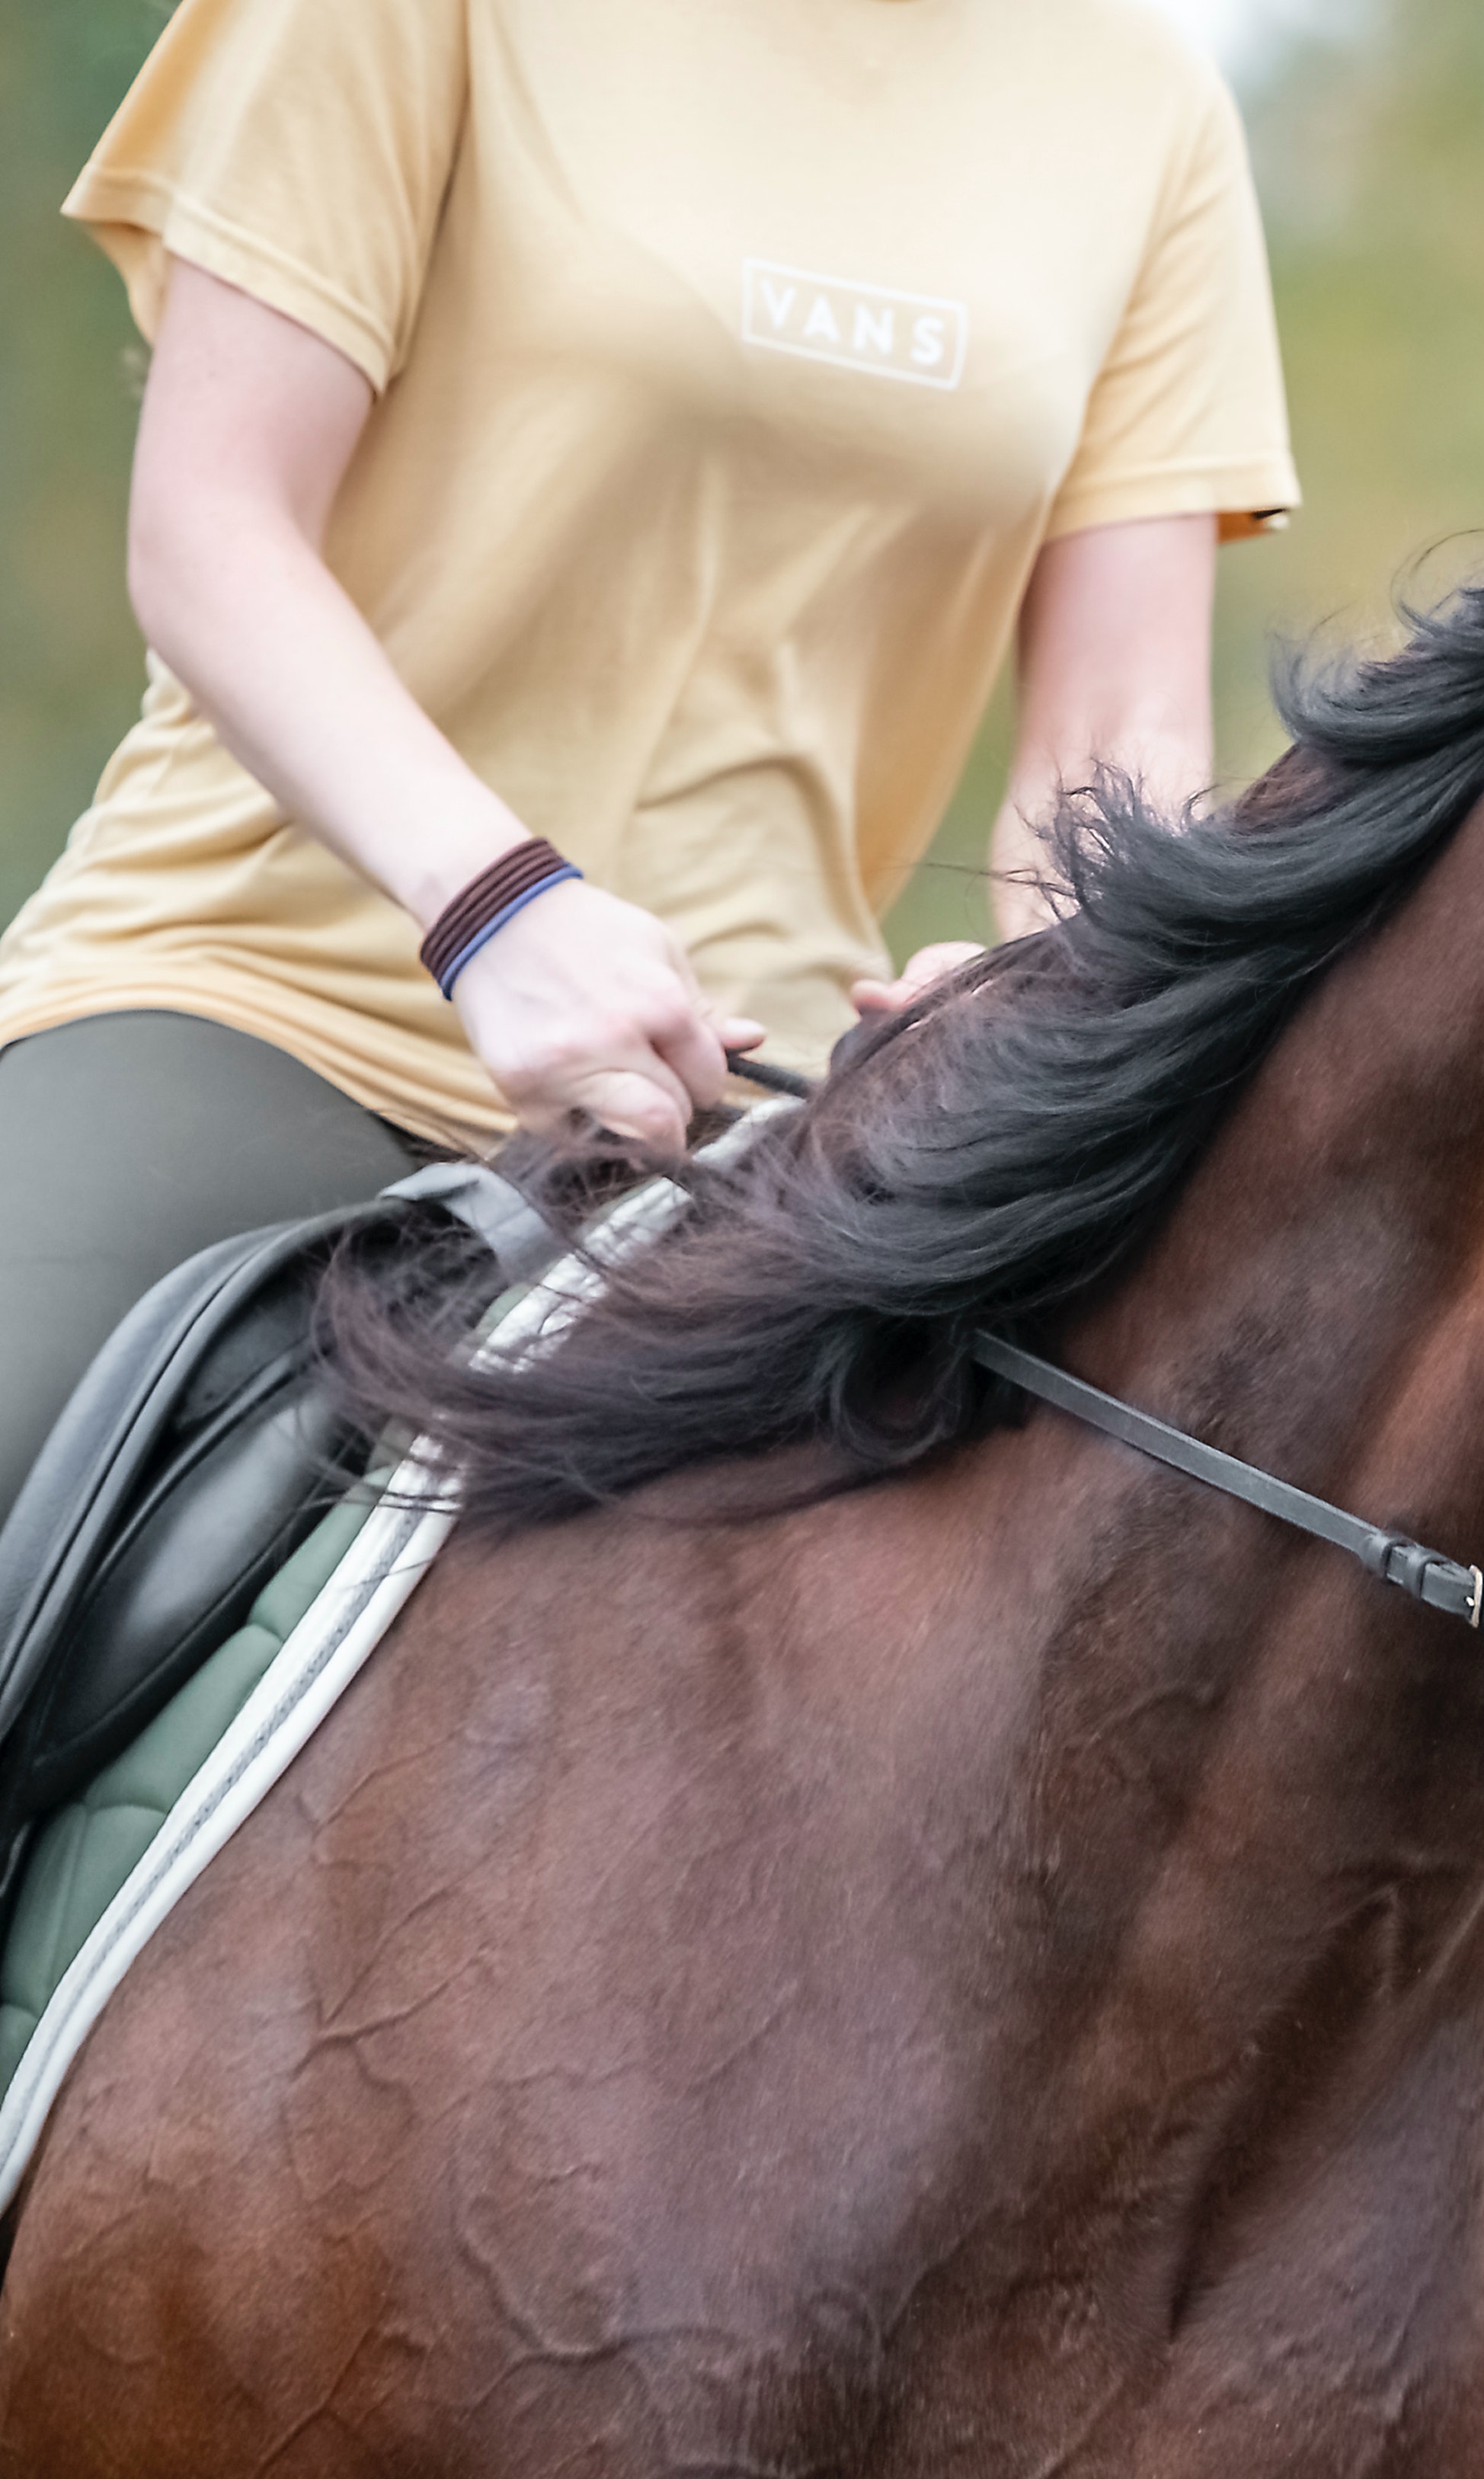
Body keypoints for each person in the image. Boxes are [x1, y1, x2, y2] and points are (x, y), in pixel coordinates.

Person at [0, 0, 1297, 1502]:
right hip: (258, 999)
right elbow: (211, 527)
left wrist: (1059, 1002)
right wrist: (494, 905)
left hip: (765, 1121)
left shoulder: (1148, 107)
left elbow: (1114, 734)